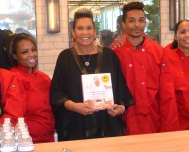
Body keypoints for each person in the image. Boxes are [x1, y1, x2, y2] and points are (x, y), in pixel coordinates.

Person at [50, 8, 134, 141]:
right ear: (73, 32)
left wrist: (121, 108)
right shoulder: (65, 57)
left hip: (107, 125)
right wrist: (74, 106)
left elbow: (121, 89)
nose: (85, 32)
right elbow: (57, 94)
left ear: (95, 32)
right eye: (80, 28)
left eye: (89, 28)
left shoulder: (109, 55)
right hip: (76, 126)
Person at [112, 1, 178, 134]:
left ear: (145, 23)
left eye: (141, 20)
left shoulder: (158, 51)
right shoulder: (115, 53)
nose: (137, 25)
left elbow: (167, 93)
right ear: (123, 24)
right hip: (124, 122)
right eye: (132, 21)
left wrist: (170, 128)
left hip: (153, 120)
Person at [8, 33, 55, 143]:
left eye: (33, 50)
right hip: (27, 142)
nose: (31, 54)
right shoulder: (12, 78)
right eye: (25, 52)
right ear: (14, 55)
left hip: (49, 139)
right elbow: (14, 116)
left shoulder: (43, 77)